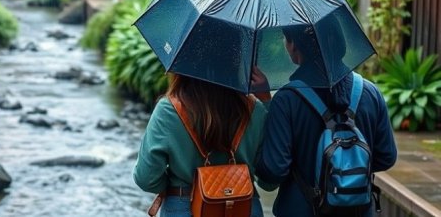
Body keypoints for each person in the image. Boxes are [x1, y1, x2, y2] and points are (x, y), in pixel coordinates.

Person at [255, 19, 398, 217]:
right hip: (359, 211)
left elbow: (273, 170)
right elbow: (386, 158)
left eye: (285, 39)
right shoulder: (370, 92)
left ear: (294, 45)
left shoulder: (286, 100)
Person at [134, 73, 276, 217]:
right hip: (244, 207)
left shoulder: (168, 110)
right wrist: (267, 102)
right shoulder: (255, 110)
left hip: (183, 207)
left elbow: (146, 179)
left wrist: (173, 186)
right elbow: (270, 182)